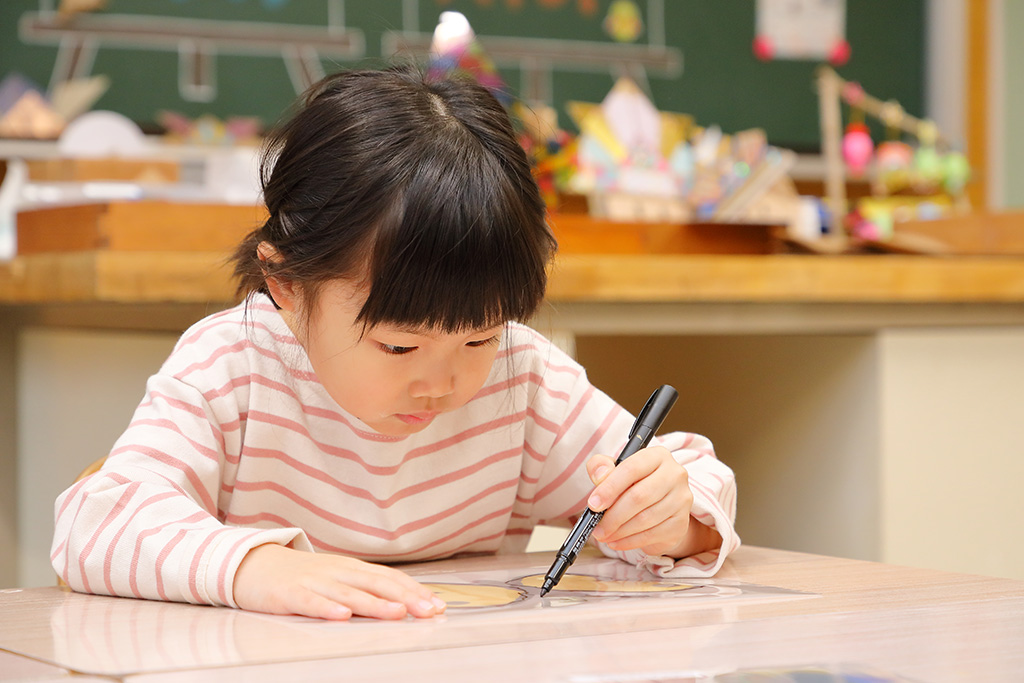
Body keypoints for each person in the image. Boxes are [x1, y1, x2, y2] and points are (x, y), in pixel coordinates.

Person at [51, 65, 739, 621]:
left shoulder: (517, 377)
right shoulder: (234, 367)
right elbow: (95, 522)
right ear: (285, 283)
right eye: (400, 348)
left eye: (477, 338)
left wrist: (674, 519)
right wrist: (256, 568)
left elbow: (692, 472)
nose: (443, 382)